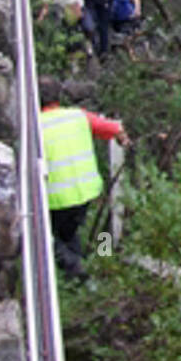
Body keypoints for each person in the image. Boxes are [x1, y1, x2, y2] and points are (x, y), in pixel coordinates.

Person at [38, 74, 128, 280]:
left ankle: (77, 271)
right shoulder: (78, 116)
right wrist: (124, 139)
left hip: (55, 199)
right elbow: (115, 128)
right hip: (85, 193)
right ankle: (83, 278)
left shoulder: (35, 126)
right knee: (70, 234)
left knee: (48, 240)